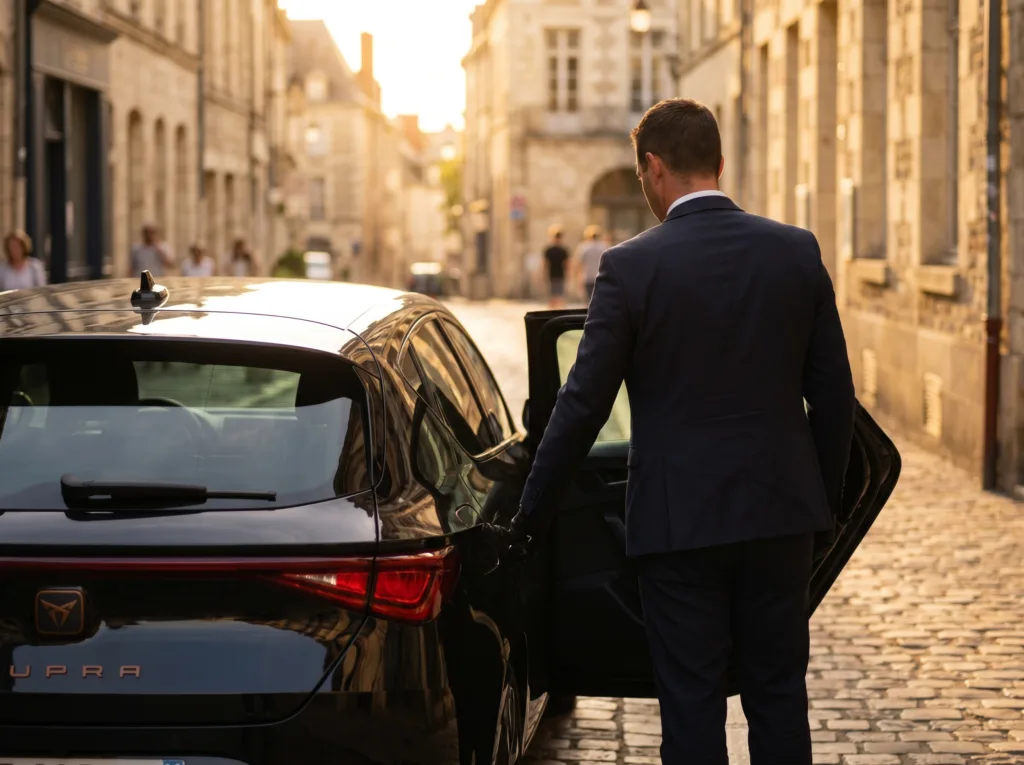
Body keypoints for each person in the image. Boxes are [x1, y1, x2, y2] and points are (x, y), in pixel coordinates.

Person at [508, 99, 855, 765]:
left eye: (643, 176)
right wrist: (824, 507)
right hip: (780, 516)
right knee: (780, 697)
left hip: (678, 524)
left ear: (654, 168)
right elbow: (835, 396)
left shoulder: (631, 267)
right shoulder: (794, 250)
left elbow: (582, 405)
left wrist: (531, 517)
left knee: (691, 706)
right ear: (719, 164)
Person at [574, 225, 605, 303]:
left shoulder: (584, 247)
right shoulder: (604, 247)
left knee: (588, 300)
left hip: (587, 276)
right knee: (599, 299)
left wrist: (578, 278)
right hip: (600, 275)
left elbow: (579, 264)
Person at [542, 228, 569, 308]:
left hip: (559, 274)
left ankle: (557, 309)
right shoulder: (551, 250)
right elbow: (545, 264)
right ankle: (555, 309)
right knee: (554, 295)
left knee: (558, 295)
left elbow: (567, 264)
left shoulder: (562, 250)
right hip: (553, 275)